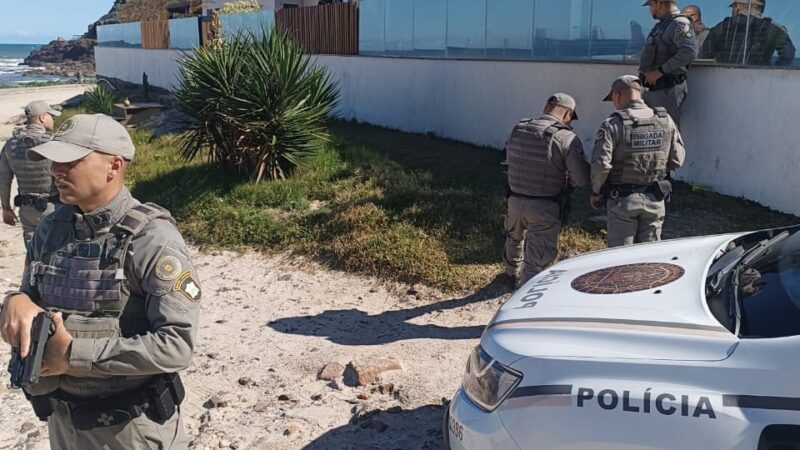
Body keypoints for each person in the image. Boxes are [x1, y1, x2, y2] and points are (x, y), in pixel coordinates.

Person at [0, 114, 201, 449]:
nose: (55, 172)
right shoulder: (50, 230)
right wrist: (15, 300)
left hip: (131, 431)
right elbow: (32, 299)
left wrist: (74, 354)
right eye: (53, 162)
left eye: (69, 162)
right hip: (63, 424)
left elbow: (176, 346)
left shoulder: (152, 239)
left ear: (114, 165)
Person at [503, 93, 590, 289]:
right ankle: (526, 298)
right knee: (537, 260)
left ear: (546, 106)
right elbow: (582, 178)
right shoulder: (565, 137)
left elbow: (509, 156)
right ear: (568, 114)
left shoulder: (519, 127)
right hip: (545, 205)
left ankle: (510, 274)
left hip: (514, 199)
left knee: (514, 238)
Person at [590, 75, 685, 247]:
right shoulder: (665, 120)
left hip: (622, 201)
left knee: (620, 258)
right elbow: (677, 159)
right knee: (648, 257)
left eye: (613, 98)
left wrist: (597, 191)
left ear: (617, 94)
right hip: (655, 199)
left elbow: (601, 164)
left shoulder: (613, 124)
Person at [0, 101, 61, 249]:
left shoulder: (10, 145)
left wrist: (6, 208)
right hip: (54, 206)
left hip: (27, 209)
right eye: (51, 116)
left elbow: (4, 179)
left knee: (33, 252)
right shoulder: (53, 143)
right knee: (58, 251)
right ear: (42, 118)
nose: (54, 119)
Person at [639, 0, 698, 127]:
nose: (650, 9)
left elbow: (689, 52)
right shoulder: (663, 25)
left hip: (667, 90)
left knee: (666, 133)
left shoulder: (679, 23)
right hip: (655, 91)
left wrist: (660, 71)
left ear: (659, 4)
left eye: (652, 5)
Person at [701, 0, 795, 66]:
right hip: (760, 83)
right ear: (761, 9)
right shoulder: (775, 29)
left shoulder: (720, 27)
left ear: (738, 7)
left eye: (733, 6)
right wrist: (772, 72)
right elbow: (788, 54)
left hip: (722, 83)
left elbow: (704, 57)